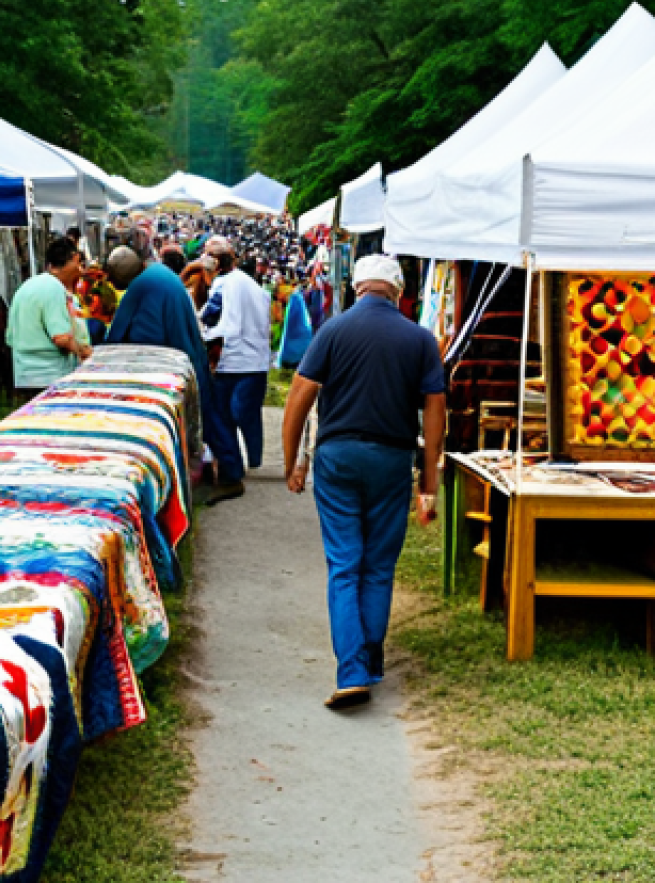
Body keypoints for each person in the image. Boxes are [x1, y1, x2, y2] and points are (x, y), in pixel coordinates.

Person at [282, 254, 446, 711]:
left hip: (337, 458)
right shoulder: (419, 339)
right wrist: (428, 482)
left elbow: (300, 394)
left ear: (357, 287)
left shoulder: (333, 330)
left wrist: (293, 459)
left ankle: (352, 670)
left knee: (344, 564)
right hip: (391, 458)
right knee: (378, 565)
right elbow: (435, 411)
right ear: (398, 292)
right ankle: (369, 661)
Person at [105, 246, 245, 503]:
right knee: (211, 416)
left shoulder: (142, 285)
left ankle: (230, 477)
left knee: (209, 419)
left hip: (181, 360)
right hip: (190, 354)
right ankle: (228, 472)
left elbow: (130, 332)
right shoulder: (157, 274)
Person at [201, 235, 272, 470]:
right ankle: (253, 457)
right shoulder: (250, 284)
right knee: (246, 412)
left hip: (231, 358)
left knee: (225, 414)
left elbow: (208, 316)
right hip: (255, 360)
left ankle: (233, 464)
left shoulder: (222, 284)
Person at [6, 235, 91, 404]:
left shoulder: (30, 285)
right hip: (48, 379)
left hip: (24, 375)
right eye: (79, 264)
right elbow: (61, 337)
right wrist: (84, 353)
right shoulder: (53, 288)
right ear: (74, 259)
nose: (81, 271)